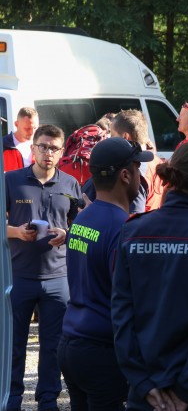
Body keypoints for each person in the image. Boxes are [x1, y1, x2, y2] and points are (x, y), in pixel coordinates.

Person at [111, 141, 188, 411]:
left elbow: (122, 312)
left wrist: (143, 382)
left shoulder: (134, 230)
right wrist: (186, 390)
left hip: (149, 384)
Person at [58, 138, 152, 411]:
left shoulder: (83, 218)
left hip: (72, 343)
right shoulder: (122, 227)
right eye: (137, 168)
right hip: (101, 350)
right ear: (125, 175)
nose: (140, 175)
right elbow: (127, 297)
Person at [5, 124, 82, 411]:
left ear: (62, 152)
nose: (48, 153)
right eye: (43, 146)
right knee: (14, 345)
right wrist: (15, 232)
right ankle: (11, 398)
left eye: (54, 148)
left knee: (53, 346)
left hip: (58, 278)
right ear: (33, 148)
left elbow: (81, 223)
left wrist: (68, 234)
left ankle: (48, 399)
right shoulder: (11, 180)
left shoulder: (71, 184)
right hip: (19, 276)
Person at [3, 106, 39, 172]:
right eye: (27, 128)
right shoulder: (3, 145)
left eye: (35, 128)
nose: (32, 132)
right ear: (16, 124)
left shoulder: (41, 145)